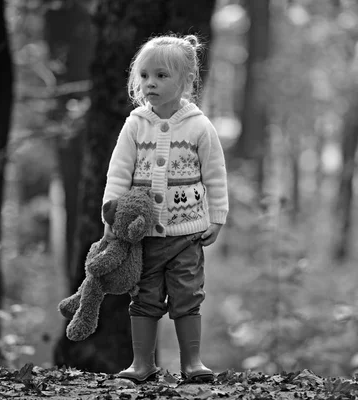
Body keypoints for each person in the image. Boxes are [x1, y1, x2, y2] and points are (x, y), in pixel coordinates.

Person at [102, 34, 228, 383]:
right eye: (144, 76)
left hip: (187, 234)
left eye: (161, 76)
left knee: (188, 296)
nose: (150, 83)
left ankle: (192, 363)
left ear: (186, 80)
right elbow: (119, 172)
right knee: (144, 298)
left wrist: (217, 218)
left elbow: (215, 176)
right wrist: (110, 216)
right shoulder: (135, 124)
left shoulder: (200, 126)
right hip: (143, 236)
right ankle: (142, 364)